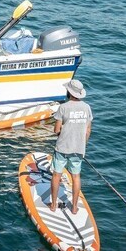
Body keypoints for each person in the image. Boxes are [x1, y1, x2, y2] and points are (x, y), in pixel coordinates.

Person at [50, 79, 93, 215]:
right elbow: (88, 131)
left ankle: (53, 205)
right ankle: (74, 207)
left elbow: (56, 130)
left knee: (57, 175)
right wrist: (82, 145)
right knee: (76, 177)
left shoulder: (63, 107)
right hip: (78, 149)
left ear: (69, 92)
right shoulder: (86, 107)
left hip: (62, 148)